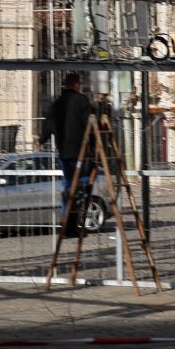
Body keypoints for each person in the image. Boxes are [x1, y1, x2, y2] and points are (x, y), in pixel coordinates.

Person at [40, 73, 106, 234]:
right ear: (77, 84)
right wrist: (96, 143)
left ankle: (69, 219)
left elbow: (47, 127)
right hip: (81, 151)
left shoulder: (56, 104)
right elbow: (89, 124)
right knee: (84, 181)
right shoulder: (82, 101)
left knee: (70, 182)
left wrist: (42, 140)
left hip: (64, 152)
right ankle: (76, 202)